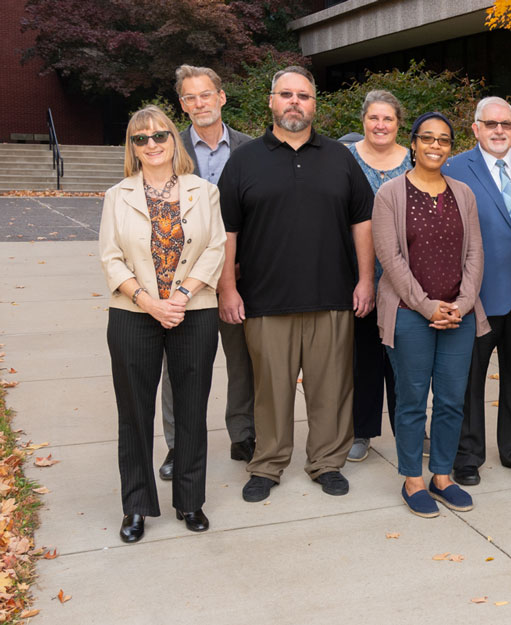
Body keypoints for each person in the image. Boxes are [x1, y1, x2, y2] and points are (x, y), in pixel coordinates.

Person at [217, 66, 375, 503]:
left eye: (303, 96)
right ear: (271, 101)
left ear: (314, 104)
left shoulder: (339, 158)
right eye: (285, 94)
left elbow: (362, 221)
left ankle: (326, 461)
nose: (294, 102)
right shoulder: (244, 160)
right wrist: (227, 289)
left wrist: (365, 280)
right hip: (265, 300)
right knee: (270, 391)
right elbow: (226, 231)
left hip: (333, 296)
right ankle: (267, 465)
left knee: (331, 390)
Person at [100, 106, 226, 542]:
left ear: (175, 140)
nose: (152, 144)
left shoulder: (203, 190)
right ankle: (135, 506)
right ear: (132, 147)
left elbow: (215, 249)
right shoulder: (118, 195)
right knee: (134, 413)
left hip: (194, 310)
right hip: (134, 314)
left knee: (192, 408)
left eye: (159, 136)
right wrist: (150, 302)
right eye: (141, 138)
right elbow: (110, 258)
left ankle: (191, 501)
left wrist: (181, 296)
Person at [374, 112, 488, 517]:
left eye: (443, 140)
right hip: (409, 314)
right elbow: (389, 258)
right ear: (414, 143)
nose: (435, 146)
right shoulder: (390, 194)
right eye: (427, 139)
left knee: (452, 401)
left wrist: (462, 303)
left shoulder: (463, 193)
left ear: (450, 147)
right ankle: (412, 480)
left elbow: (475, 252)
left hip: (459, 316)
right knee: (411, 400)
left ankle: (442, 476)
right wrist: (426, 305)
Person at [150, 65, 254, 484]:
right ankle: (179, 446)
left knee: (244, 363)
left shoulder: (250, 149)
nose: (199, 104)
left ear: (221, 97)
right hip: (183, 283)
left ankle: (244, 436)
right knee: (180, 370)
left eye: (205, 95)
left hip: (241, 276)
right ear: (182, 104)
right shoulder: (167, 150)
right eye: (190, 98)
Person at [443, 97, 511, 486]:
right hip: (476, 294)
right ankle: (466, 455)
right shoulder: (454, 169)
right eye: (491, 124)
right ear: (475, 128)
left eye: (506, 124)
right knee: (467, 377)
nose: (499, 130)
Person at [345, 90, 408, 462]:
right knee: (363, 357)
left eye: (387, 118)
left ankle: (410, 428)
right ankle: (362, 431)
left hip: (405, 277)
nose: (380, 125)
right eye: (373, 118)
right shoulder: (345, 159)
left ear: (398, 123)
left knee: (405, 358)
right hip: (357, 275)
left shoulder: (414, 159)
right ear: (363, 122)